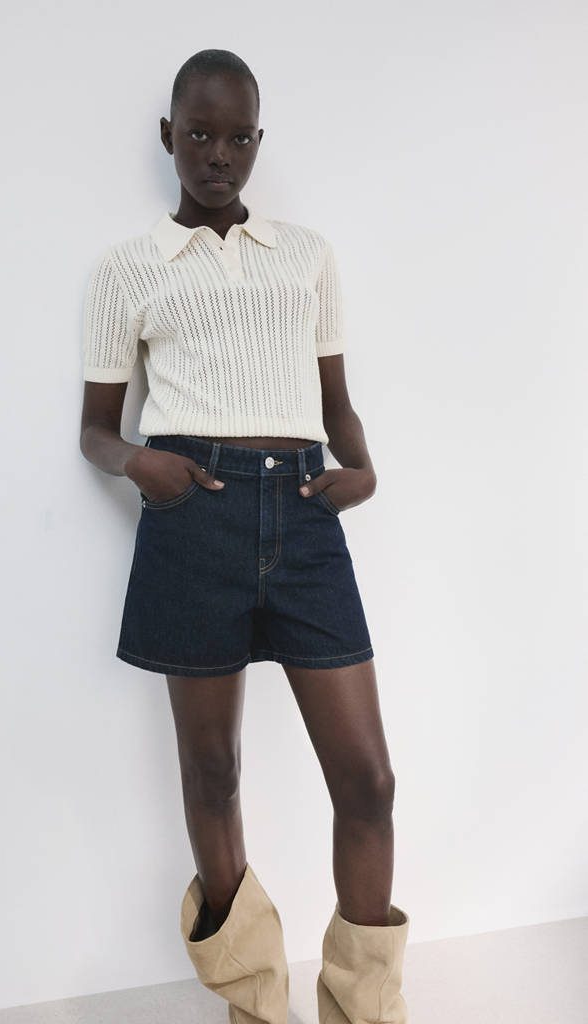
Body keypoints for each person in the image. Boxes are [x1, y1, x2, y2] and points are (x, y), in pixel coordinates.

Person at [79, 48, 411, 1024]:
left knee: (368, 780)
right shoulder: (127, 269)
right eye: (197, 134)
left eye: (235, 138)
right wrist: (140, 463)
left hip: (304, 513)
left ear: (257, 142)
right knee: (213, 772)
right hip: (193, 512)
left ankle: (364, 1008)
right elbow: (95, 429)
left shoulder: (305, 255)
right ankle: (254, 1005)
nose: (216, 155)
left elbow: (336, 404)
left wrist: (363, 467)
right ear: (168, 137)